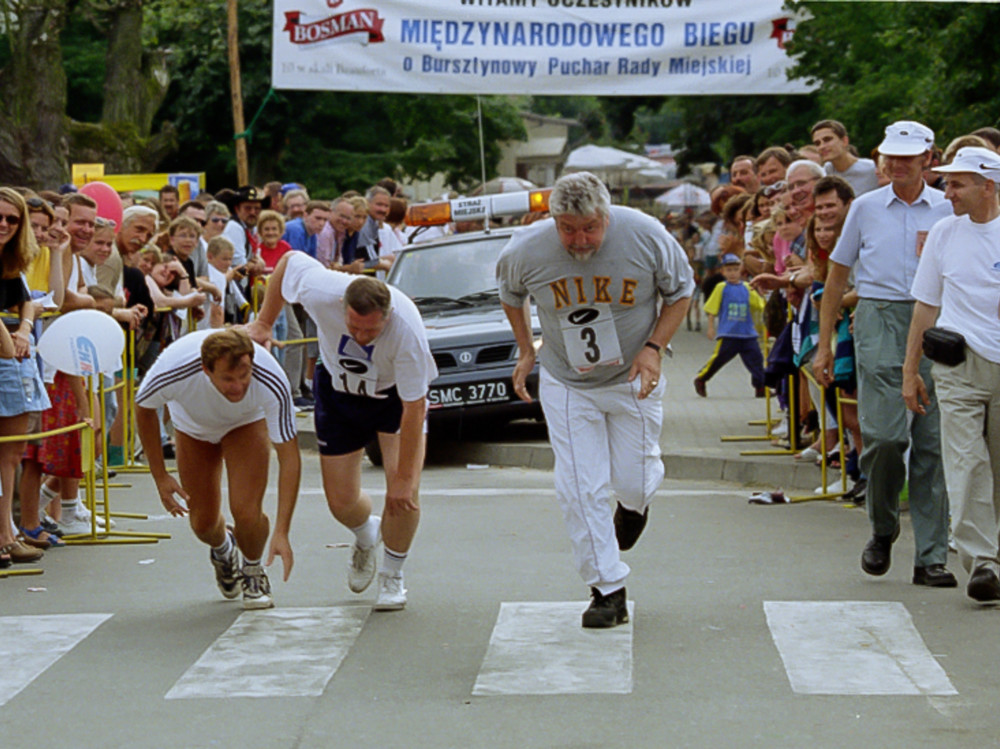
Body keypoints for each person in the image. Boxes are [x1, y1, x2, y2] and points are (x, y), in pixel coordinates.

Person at [496, 171, 694, 629]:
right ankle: (607, 589)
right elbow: (511, 295)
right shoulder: (525, 250)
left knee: (635, 478)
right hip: (568, 383)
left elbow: (681, 291)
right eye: (567, 228)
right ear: (553, 221)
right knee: (579, 487)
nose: (579, 239)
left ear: (606, 216)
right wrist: (527, 349)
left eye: (589, 227)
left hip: (632, 379)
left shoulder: (645, 235)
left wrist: (654, 349)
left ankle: (634, 506)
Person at [246, 251, 437, 611]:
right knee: (341, 502)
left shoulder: (407, 330)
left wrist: (403, 477)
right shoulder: (322, 289)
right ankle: (367, 533)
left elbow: (414, 408)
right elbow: (287, 262)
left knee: (403, 491)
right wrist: (264, 322)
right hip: (339, 390)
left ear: (388, 317)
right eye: (354, 327)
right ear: (342, 306)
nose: (362, 336)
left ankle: (393, 575)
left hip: (393, 397)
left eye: (372, 330)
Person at [814, 120, 956, 588]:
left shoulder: (947, 208)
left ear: (928, 160)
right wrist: (825, 344)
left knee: (932, 443)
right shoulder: (868, 208)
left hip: (938, 321)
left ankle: (931, 556)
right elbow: (836, 278)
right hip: (878, 318)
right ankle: (882, 527)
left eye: (906, 157)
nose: (895, 164)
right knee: (885, 437)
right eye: (889, 156)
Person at [134, 328, 300, 609]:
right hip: (193, 429)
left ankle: (253, 570)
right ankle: (224, 547)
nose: (237, 386)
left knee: (247, 511)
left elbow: (290, 458)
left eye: (243, 376)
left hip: (246, 423)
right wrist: (160, 476)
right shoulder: (174, 368)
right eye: (227, 379)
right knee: (203, 524)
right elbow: (143, 406)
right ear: (206, 370)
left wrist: (282, 530)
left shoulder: (270, 376)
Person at [903, 147, 1000, 602]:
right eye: (946, 182)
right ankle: (983, 561)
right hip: (957, 364)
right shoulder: (943, 233)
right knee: (965, 461)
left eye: (958, 183)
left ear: (989, 186)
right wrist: (911, 371)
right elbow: (926, 304)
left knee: (996, 466)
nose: (948, 191)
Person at [0, 188, 50, 566]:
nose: (3, 224)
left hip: (15, 360)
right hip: (8, 359)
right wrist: (11, 339)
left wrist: (24, 329)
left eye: (11, 219)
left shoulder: (10, 261)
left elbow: (26, 297)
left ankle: (6, 534)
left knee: (13, 452)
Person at [694, 253, 765, 398]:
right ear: (723, 272)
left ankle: (761, 387)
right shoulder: (721, 287)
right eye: (729, 270)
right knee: (718, 359)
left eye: (735, 269)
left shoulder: (747, 287)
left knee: (756, 361)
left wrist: (763, 295)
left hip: (747, 333)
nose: (732, 273)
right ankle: (701, 378)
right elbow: (711, 308)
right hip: (729, 333)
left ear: (741, 271)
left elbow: (760, 306)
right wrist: (711, 327)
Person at [811, 119, 880, 197]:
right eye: (817, 143)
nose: (822, 146)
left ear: (844, 141)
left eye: (827, 140)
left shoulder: (873, 169)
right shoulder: (825, 172)